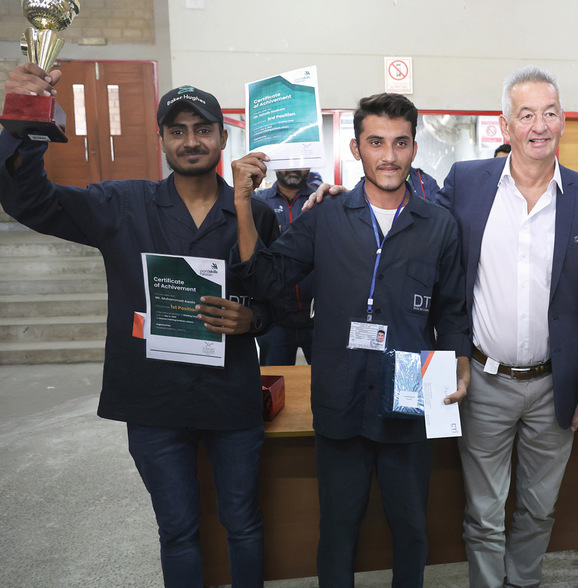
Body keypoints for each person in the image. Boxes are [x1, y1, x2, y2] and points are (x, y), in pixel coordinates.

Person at [0, 64, 282, 587]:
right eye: (177, 131)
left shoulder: (253, 212)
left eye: (203, 129)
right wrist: (26, 124)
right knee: (177, 531)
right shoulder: (121, 205)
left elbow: (272, 300)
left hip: (230, 395)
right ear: (161, 140)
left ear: (223, 137)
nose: (191, 141)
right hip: (153, 400)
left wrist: (253, 319)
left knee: (243, 524)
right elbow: (32, 201)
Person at [231, 92, 471, 588]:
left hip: (410, 394)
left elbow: (451, 311)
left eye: (400, 143)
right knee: (338, 528)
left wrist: (461, 361)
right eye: (376, 142)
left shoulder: (439, 226)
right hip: (340, 394)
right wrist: (241, 203)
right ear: (356, 148)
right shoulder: (327, 215)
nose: (389, 155)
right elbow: (266, 278)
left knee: (411, 527)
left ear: (414, 147)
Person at [436, 66, 578, 588]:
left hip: (555, 385)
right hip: (483, 382)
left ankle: (524, 581)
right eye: (526, 114)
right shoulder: (467, 183)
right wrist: (350, 196)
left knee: (539, 508)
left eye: (550, 113)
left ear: (563, 120)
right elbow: (422, 235)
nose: (540, 126)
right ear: (505, 125)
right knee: (484, 514)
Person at [252, 168, 319, 365]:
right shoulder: (258, 202)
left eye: (299, 161)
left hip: (318, 318)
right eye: (286, 161)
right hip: (273, 319)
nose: (293, 168)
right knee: (274, 380)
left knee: (328, 380)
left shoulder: (322, 201)